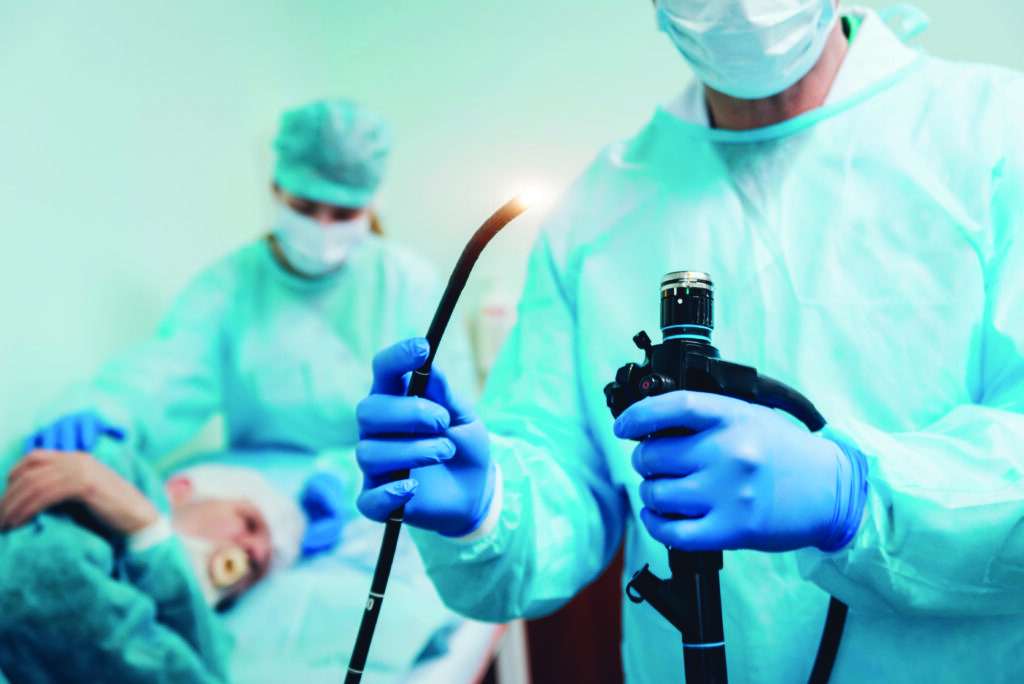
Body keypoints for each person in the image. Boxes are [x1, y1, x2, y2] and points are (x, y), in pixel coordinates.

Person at [353, 2, 1024, 682]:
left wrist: (854, 494)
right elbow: (564, 478)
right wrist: (487, 506)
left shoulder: (998, 133)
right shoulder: (600, 205)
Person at [23, 98, 474, 464]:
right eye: (304, 207)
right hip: (256, 483)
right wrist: (109, 409)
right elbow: (168, 369)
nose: (322, 227)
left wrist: (346, 476)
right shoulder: (228, 285)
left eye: (343, 214)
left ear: (371, 207)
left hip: (378, 482)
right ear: (276, 189)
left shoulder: (406, 282)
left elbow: (445, 408)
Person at [0, 445, 305, 683]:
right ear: (181, 490)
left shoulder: (215, 641)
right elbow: (35, 601)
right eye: (249, 523)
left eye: (257, 571)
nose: (255, 552)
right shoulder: (102, 472)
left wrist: (149, 533)